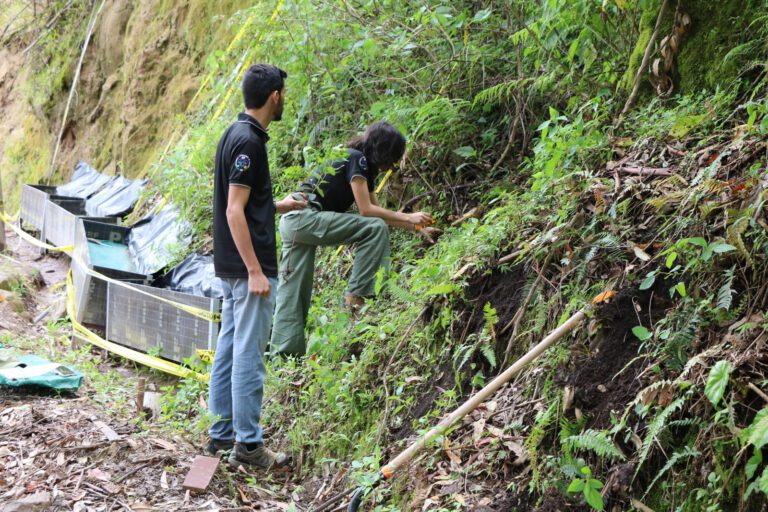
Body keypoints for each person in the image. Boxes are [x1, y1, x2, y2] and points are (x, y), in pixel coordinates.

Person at [207, 63, 307, 470]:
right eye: (284, 94)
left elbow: (244, 203)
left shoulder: (234, 133)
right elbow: (234, 210)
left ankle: (221, 434)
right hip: (247, 267)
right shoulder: (250, 142)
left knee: (229, 348)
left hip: (229, 264)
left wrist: (279, 205)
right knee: (249, 354)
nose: (284, 100)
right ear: (274, 96)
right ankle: (248, 444)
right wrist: (254, 270)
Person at [270, 122, 440, 357]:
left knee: (293, 289)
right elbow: (367, 211)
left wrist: (416, 226)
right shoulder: (357, 159)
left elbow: (378, 214)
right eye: (393, 159)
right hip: (303, 215)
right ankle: (357, 298)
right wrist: (409, 216)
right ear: (384, 152)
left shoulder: (357, 163)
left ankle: (284, 354)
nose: (392, 166)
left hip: (293, 221)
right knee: (373, 228)